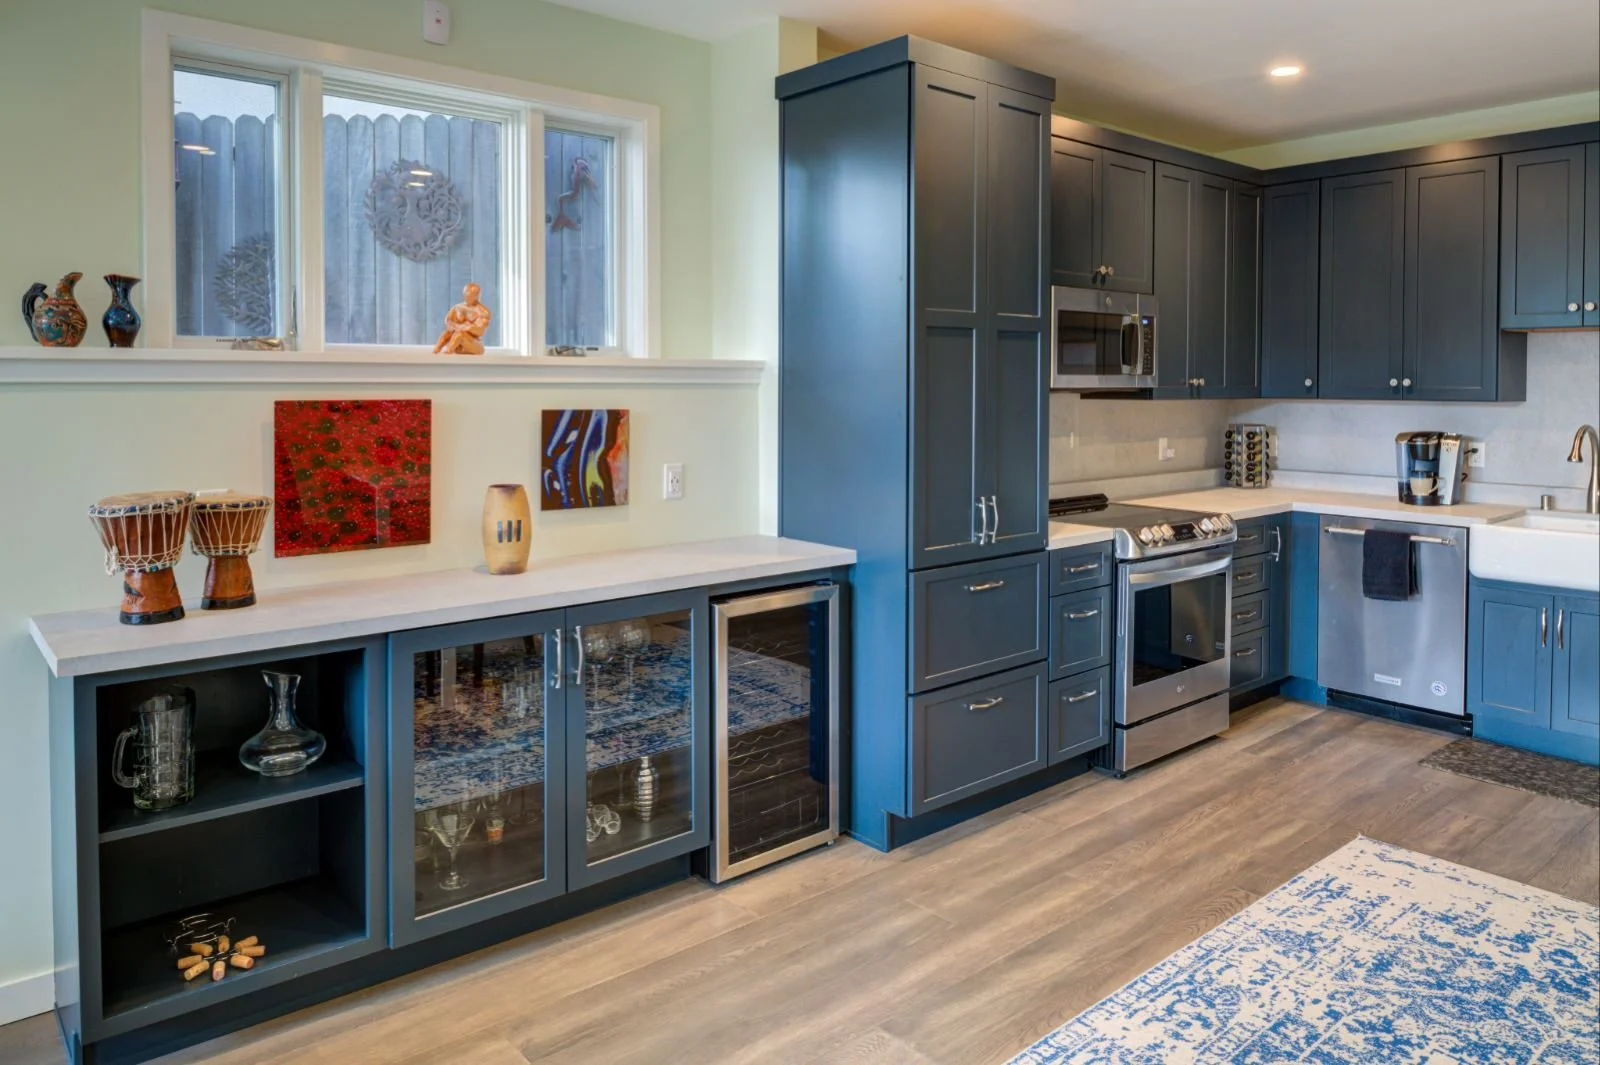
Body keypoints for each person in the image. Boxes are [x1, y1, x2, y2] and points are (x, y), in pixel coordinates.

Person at [433, 282, 492, 355]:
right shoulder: (457, 308)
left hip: (474, 343)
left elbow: (480, 331)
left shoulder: (482, 312)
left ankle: (447, 352)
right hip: (457, 343)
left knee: (459, 334)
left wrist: (466, 327)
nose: (466, 296)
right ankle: (436, 351)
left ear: (477, 296)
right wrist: (457, 326)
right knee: (447, 333)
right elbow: (448, 322)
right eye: (465, 294)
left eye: (470, 295)